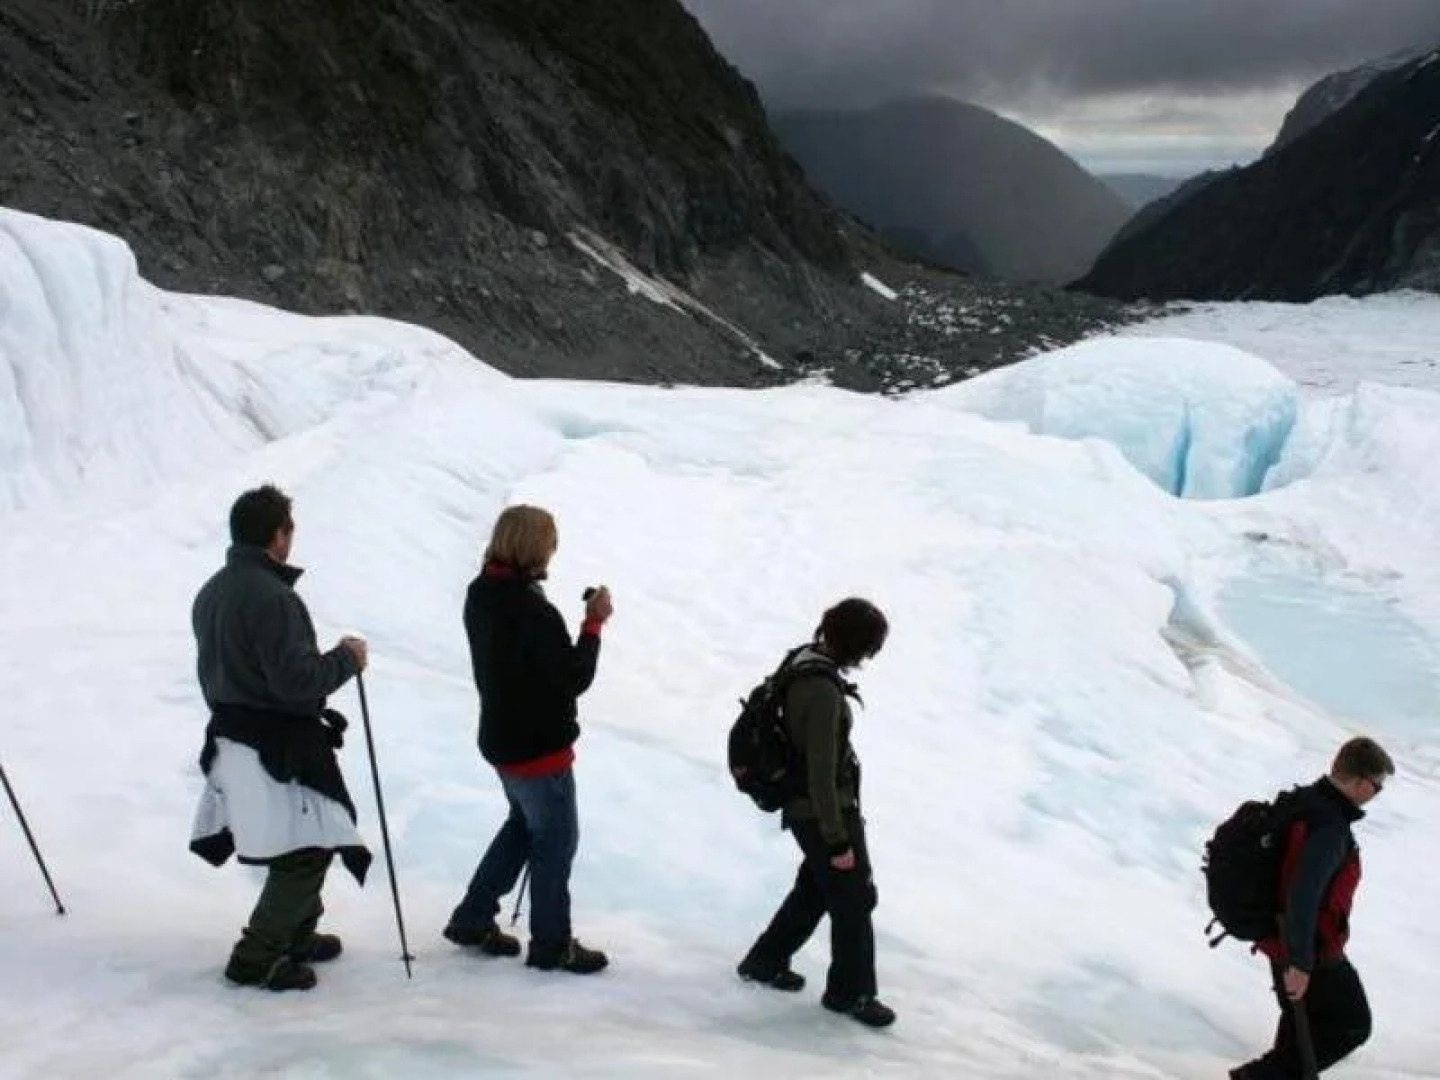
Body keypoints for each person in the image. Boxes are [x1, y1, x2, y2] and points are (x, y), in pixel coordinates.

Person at [189, 484, 370, 992]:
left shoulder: (212, 590)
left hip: (234, 737)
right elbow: (296, 682)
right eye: (290, 529)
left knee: (302, 838)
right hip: (277, 744)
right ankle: (258, 954)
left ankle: (294, 933)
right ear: (278, 536)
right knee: (308, 848)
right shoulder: (273, 597)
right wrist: (346, 661)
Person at [443, 504, 613, 974]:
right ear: (535, 549)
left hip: (501, 741)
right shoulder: (534, 612)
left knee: (522, 827)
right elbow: (573, 677)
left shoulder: (481, 594)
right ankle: (552, 943)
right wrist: (593, 624)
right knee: (555, 841)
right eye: (549, 543)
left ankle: (474, 917)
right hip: (540, 749)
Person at [737, 598, 895, 1028]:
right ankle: (851, 993)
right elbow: (822, 774)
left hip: (808, 807)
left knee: (819, 886)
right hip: (824, 811)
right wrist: (838, 839)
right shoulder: (822, 692)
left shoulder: (802, 662)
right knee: (853, 897)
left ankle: (766, 960)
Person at [1231, 736, 1395, 1079]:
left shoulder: (1304, 803)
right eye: (1376, 788)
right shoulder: (1329, 827)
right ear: (1360, 782)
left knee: (1300, 1031)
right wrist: (1300, 962)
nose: (1375, 795)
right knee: (1350, 1025)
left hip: (1279, 937)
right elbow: (1303, 892)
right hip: (1310, 949)